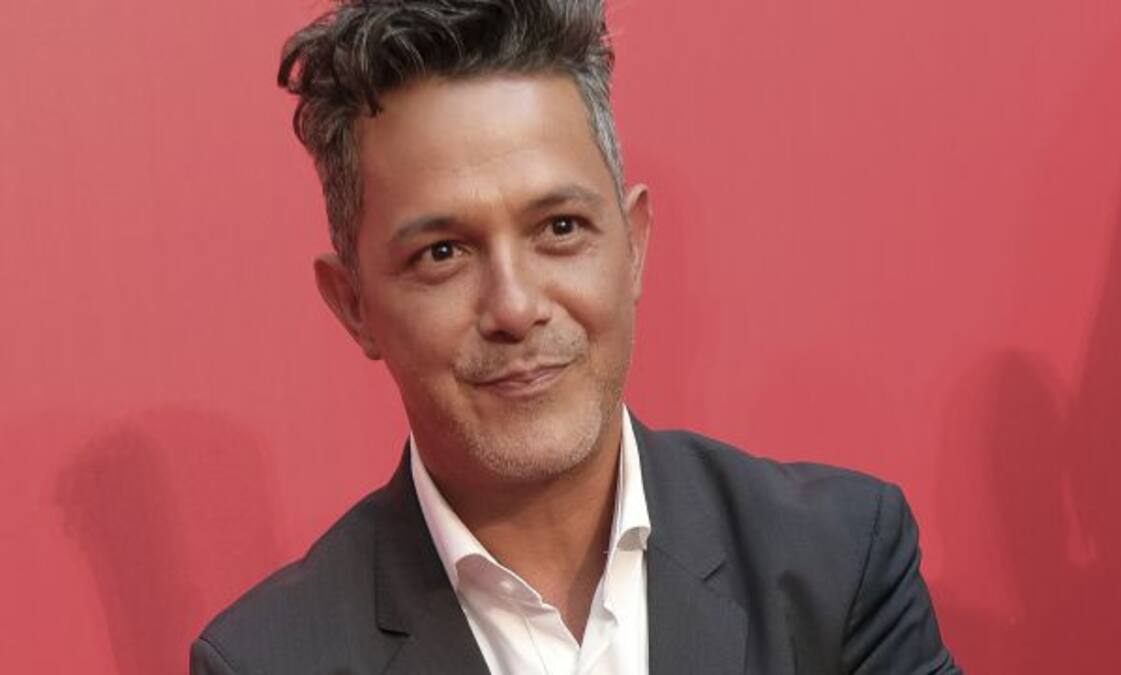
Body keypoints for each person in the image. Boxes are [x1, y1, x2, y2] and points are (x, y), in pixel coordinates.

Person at [191, 1, 959, 673]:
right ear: (354, 304)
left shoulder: (837, 563)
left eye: (560, 228)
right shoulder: (269, 660)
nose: (515, 306)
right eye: (443, 252)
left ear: (634, 245)